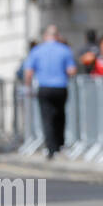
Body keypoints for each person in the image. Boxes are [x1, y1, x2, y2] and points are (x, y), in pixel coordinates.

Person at [23, 24, 77, 158]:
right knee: (60, 116)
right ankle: (59, 145)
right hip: (61, 87)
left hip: (45, 88)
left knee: (47, 118)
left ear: (45, 36)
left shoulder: (37, 50)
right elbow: (72, 70)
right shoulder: (65, 50)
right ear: (57, 36)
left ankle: (51, 148)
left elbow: (28, 72)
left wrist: (28, 88)